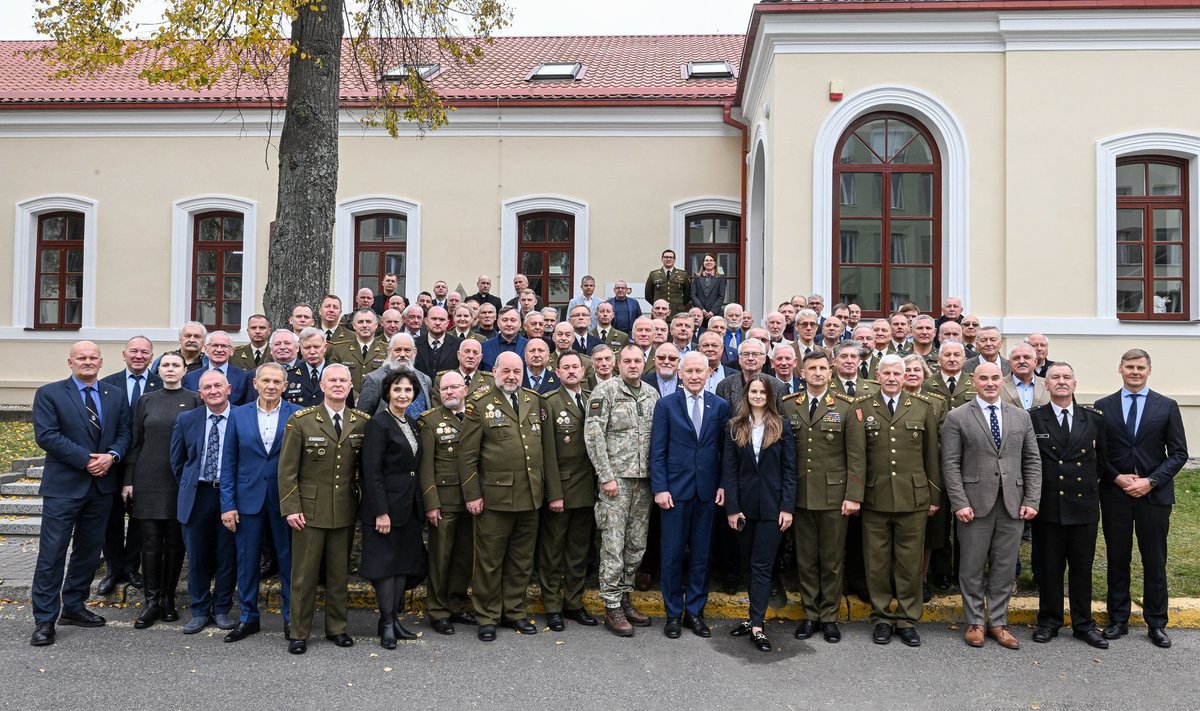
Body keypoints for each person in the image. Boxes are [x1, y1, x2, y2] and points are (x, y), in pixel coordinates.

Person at [30, 341, 131, 647]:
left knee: (88, 553)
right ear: (70, 362)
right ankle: (45, 619)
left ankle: (73, 607)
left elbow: (125, 433)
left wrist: (111, 456)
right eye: (81, 358)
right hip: (64, 487)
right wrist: (88, 459)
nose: (88, 362)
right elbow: (46, 435)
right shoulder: (49, 394)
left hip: (101, 488)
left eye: (93, 358)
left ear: (101, 362)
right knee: (52, 554)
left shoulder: (115, 395)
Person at [459, 351, 563, 641]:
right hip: (494, 498)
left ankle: (514, 611)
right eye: (506, 371)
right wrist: (472, 494)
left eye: (516, 372)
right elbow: (466, 456)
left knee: (521, 560)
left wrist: (552, 493)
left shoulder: (533, 400)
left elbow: (547, 453)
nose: (511, 377)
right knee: (489, 561)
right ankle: (488, 615)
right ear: (494, 371)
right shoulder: (479, 405)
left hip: (530, 496)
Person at [941, 362, 1040, 649]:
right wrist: (959, 502)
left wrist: (1031, 499)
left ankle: (998, 622)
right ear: (974, 381)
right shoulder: (957, 417)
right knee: (971, 566)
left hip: (1013, 503)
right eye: (984, 378)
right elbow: (950, 463)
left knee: (1005, 567)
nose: (990, 383)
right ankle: (974, 622)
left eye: (995, 378)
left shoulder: (1021, 417)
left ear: (1003, 381)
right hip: (973, 505)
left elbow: (1032, 461)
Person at [1095, 349, 1188, 648]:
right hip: (1116, 494)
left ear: (1149, 370)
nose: (1135, 372)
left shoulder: (1167, 406)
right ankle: (1118, 619)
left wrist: (1151, 481)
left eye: (1140, 367)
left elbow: (1178, 453)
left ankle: (1157, 622)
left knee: (1154, 559)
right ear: (1119, 369)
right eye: (1129, 367)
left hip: (1154, 496)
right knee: (1117, 558)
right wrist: (1116, 476)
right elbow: (1099, 453)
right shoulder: (1103, 406)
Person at [278, 364, 368, 654]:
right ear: (322, 384)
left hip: (343, 508)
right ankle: (299, 632)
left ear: (351, 386)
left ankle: (337, 628)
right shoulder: (302, 420)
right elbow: (287, 470)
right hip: (309, 511)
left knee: (338, 575)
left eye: (344, 380)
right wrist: (292, 508)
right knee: (304, 576)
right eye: (333, 380)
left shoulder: (361, 421)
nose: (339, 385)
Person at [779, 350, 865, 644]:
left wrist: (853, 495)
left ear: (831, 373)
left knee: (831, 559)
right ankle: (810, 614)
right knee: (805, 559)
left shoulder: (846, 406)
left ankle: (829, 616)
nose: (817, 373)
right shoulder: (789, 406)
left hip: (833, 495)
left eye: (822, 368)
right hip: (800, 495)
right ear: (801, 373)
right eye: (811, 368)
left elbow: (856, 456)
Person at [858, 355, 940, 647]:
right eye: (887, 373)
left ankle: (907, 618)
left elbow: (932, 456)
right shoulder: (863, 408)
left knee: (909, 563)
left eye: (897, 373)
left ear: (906, 377)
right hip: (874, 496)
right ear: (877, 376)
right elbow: (858, 457)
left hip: (913, 497)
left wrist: (933, 495)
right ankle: (881, 616)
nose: (892, 378)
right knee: (876, 562)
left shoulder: (922, 407)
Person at [650, 351, 731, 639]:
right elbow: (657, 450)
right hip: (674, 492)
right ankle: (672, 614)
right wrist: (660, 488)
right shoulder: (665, 405)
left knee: (700, 555)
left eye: (701, 371)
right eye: (690, 371)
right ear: (680, 374)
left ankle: (694, 612)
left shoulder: (720, 406)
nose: (695, 376)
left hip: (708, 493)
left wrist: (723, 484)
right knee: (671, 555)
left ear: (709, 373)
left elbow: (726, 452)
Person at [219, 362, 300, 643]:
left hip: (285, 500)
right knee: (247, 561)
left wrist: (298, 503)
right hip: (247, 500)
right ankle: (248, 617)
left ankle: (292, 618)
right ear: (255, 384)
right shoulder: (238, 415)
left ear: (285, 386)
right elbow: (228, 462)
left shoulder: (297, 415)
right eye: (265, 380)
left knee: (289, 561)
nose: (270, 386)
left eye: (277, 382)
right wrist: (227, 504)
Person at [1029, 363, 1108, 649]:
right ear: (1046, 385)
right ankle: (1049, 621)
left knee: (1081, 568)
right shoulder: (1034, 418)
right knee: (1049, 568)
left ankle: (1083, 624)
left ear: (1075, 383)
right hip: (1049, 504)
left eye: (1066, 378)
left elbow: (1102, 461)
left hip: (1082, 504)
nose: (1061, 382)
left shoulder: (1094, 418)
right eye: (1055, 378)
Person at [584, 344, 660, 636]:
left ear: (644, 363)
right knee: (613, 544)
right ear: (618, 364)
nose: (632, 365)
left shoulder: (652, 394)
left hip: (644, 481)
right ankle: (612, 604)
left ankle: (625, 597)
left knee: (636, 543)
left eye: (637, 360)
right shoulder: (606, 392)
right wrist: (605, 476)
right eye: (626, 361)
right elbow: (593, 436)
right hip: (616, 481)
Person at [122, 352, 201, 629]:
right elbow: (135, 442)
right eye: (165, 365)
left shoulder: (194, 399)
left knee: (175, 543)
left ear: (184, 370)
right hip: (147, 480)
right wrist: (128, 480)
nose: (170, 369)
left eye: (175, 365)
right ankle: (151, 601)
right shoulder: (146, 400)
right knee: (151, 544)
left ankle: (168, 598)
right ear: (159, 369)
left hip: (179, 481)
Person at [723, 375, 796, 652]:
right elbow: (729, 471)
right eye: (752, 391)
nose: (757, 396)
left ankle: (757, 625)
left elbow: (790, 471)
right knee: (748, 565)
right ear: (746, 395)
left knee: (762, 566)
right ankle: (753, 616)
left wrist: (787, 507)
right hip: (743, 508)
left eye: (761, 392)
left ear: (769, 396)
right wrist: (732, 508)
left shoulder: (781, 426)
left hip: (772, 508)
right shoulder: (734, 427)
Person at [360, 367, 427, 649]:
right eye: (397, 389)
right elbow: (371, 471)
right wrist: (381, 511)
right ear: (387, 392)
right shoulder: (379, 423)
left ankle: (396, 619)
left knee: (402, 565)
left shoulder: (410, 422)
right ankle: (385, 623)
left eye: (408, 390)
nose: (402, 394)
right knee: (385, 567)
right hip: (386, 508)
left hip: (408, 507)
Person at [169, 370, 238, 634]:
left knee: (227, 555)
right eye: (207, 387)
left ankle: (221, 609)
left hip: (228, 495)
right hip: (197, 494)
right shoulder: (187, 419)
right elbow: (178, 461)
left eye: (217, 385)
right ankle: (198, 610)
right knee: (196, 555)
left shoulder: (241, 417)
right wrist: (190, 485)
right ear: (200, 393)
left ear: (228, 388)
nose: (213, 391)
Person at [537, 352, 600, 631]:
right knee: (553, 551)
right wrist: (554, 493)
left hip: (587, 488)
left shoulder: (592, 398)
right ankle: (552, 606)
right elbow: (547, 453)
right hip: (562, 488)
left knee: (578, 551)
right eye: (566, 368)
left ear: (583, 370)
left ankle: (573, 603)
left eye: (576, 366)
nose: (572, 371)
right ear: (558, 372)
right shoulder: (549, 403)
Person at [97, 335, 161, 594]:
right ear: (124, 354)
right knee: (110, 518)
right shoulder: (106, 384)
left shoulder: (160, 384)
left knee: (139, 519)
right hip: (113, 462)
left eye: (144, 352)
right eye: (133, 351)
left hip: (147, 464)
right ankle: (114, 569)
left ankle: (133, 567)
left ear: (151, 357)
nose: (138, 356)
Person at [418, 372, 479, 636]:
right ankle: (438, 610)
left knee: (464, 557)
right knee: (441, 558)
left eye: (455, 387)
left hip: (473, 501)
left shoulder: (477, 416)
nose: (450, 392)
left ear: (465, 389)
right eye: (444, 389)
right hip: (445, 502)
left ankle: (455, 604)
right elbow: (426, 467)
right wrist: (431, 503)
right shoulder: (430, 421)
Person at [358, 333, 434, 418]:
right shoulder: (374, 379)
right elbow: (362, 417)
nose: (402, 354)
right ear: (389, 352)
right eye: (398, 350)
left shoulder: (425, 379)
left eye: (407, 350)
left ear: (415, 352)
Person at [328, 308, 387, 391]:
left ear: (376, 325)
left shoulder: (387, 351)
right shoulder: (339, 350)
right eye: (360, 322)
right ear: (354, 325)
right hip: (349, 401)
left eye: (368, 321)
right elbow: (333, 377)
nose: (365, 325)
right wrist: (355, 397)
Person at [480, 306, 527, 372]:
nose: (509, 324)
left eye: (513, 320)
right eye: (505, 320)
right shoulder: (484, 347)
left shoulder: (528, 346)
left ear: (520, 324)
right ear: (498, 323)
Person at [690, 253, 726, 325]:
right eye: (706, 260)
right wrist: (702, 310)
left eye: (711, 260)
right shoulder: (697, 277)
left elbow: (721, 296)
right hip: (699, 314)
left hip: (714, 313)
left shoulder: (720, 278)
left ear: (715, 263)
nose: (709, 262)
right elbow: (693, 295)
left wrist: (713, 311)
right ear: (703, 263)